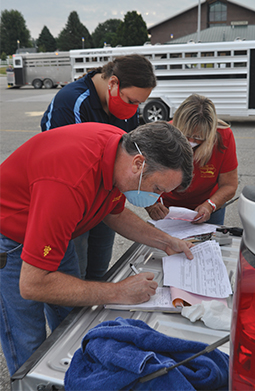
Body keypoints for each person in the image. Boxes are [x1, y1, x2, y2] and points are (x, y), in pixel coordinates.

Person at [0, 121, 194, 376]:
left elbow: (113, 212)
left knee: (72, 320)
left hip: (58, 229)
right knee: (28, 338)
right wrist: (118, 292)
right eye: (157, 189)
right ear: (139, 163)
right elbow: (33, 284)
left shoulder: (120, 153)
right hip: (13, 239)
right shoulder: (69, 183)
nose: (157, 198)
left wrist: (167, 241)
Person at [41, 54, 157, 281]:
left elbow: (133, 155)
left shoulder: (126, 109)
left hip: (105, 200)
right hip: (74, 205)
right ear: (113, 83)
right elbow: (69, 165)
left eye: (139, 103)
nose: (134, 109)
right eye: (132, 101)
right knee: (74, 275)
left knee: (99, 272)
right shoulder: (72, 102)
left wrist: (149, 196)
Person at [146, 94, 238, 225]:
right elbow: (142, 178)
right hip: (168, 209)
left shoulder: (224, 136)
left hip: (209, 206)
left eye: (199, 137)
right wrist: (152, 204)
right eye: (187, 135)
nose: (192, 141)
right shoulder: (162, 135)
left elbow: (229, 185)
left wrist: (210, 205)